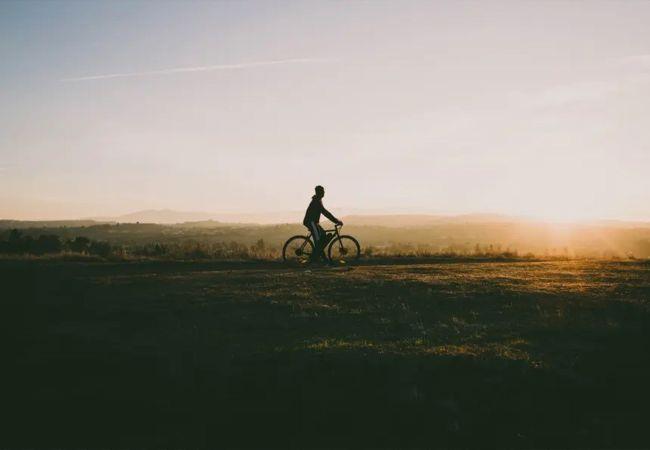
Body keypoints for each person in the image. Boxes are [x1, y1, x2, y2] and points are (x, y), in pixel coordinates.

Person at [303, 185, 342, 261]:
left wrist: (335, 220)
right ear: (319, 192)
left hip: (314, 223)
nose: (324, 192)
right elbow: (325, 213)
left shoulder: (318, 200)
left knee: (323, 235)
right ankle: (316, 257)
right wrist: (336, 221)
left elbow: (325, 212)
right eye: (323, 191)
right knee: (318, 241)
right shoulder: (316, 201)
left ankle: (322, 257)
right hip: (311, 222)